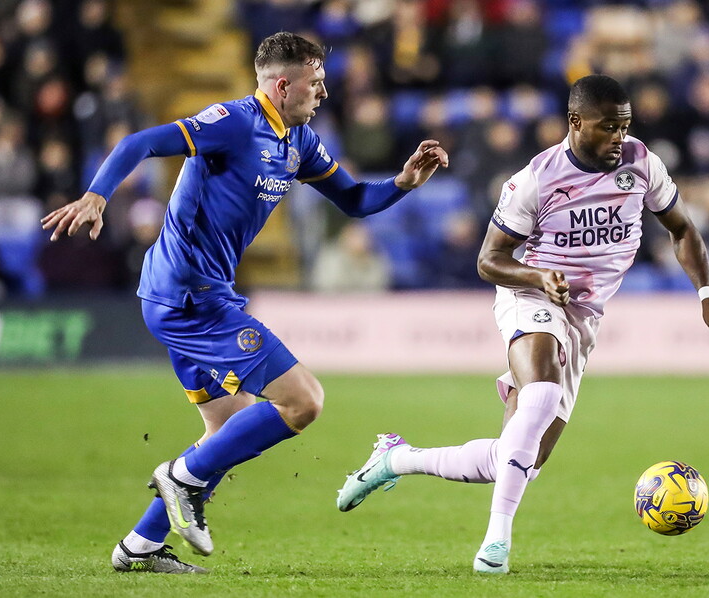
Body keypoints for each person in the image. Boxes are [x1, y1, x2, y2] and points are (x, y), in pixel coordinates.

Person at [41, 32, 448, 574]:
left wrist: (402, 182)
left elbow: (352, 199)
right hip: (190, 299)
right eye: (316, 83)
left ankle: (139, 545)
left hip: (192, 296)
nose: (323, 92)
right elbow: (138, 143)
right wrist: (97, 195)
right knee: (303, 402)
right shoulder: (233, 123)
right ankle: (181, 477)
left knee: (227, 429)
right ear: (284, 85)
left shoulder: (298, 140)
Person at [336, 74, 709, 574]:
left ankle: (396, 460)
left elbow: (683, 230)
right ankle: (495, 542)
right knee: (540, 392)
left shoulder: (642, 163)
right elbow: (488, 260)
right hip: (529, 294)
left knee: (516, 459)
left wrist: (707, 293)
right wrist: (537, 274)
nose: (619, 138)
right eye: (609, 127)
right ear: (575, 122)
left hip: (585, 316)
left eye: (625, 126)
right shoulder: (537, 179)